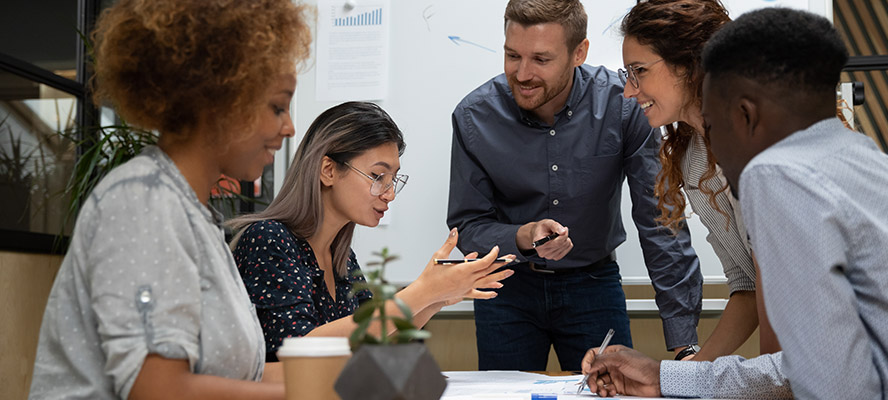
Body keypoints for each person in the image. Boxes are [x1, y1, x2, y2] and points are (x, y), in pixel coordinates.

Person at [582, 7, 888, 399]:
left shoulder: (773, 171)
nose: (630, 90)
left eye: (639, 71)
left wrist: (680, 380)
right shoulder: (850, 153)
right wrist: (680, 375)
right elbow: (764, 303)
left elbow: (810, 375)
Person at [30, 0, 310, 398]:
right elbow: (159, 390)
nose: (289, 127)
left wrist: (345, 379)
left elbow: (237, 379)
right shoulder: (141, 203)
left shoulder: (191, 212)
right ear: (218, 98)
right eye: (278, 106)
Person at [447, 0, 703, 371]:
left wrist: (684, 345)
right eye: (512, 55)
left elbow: (660, 220)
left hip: (593, 284)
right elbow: (468, 227)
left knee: (609, 393)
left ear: (579, 52)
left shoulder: (624, 107)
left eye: (541, 59)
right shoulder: (474, 116)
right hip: (506, 286)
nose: (522, 73)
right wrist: (525, 234)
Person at [228, 101, 514, 362]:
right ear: (328, 170)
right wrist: (423, 291)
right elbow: (301, 352)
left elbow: (372, 343)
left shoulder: (340, 255)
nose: (389, 194)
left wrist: (435, 300)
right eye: (378, 176)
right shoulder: (268, 239)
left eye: (393, 180)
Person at [618, 0, 779, 360]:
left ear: (691, 64)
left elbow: (780, 291)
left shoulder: (758, 142)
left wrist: (773, 385)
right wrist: (691, 372)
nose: (629, 90)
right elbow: (749, 285)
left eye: (639, 71)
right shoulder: (695, 157)